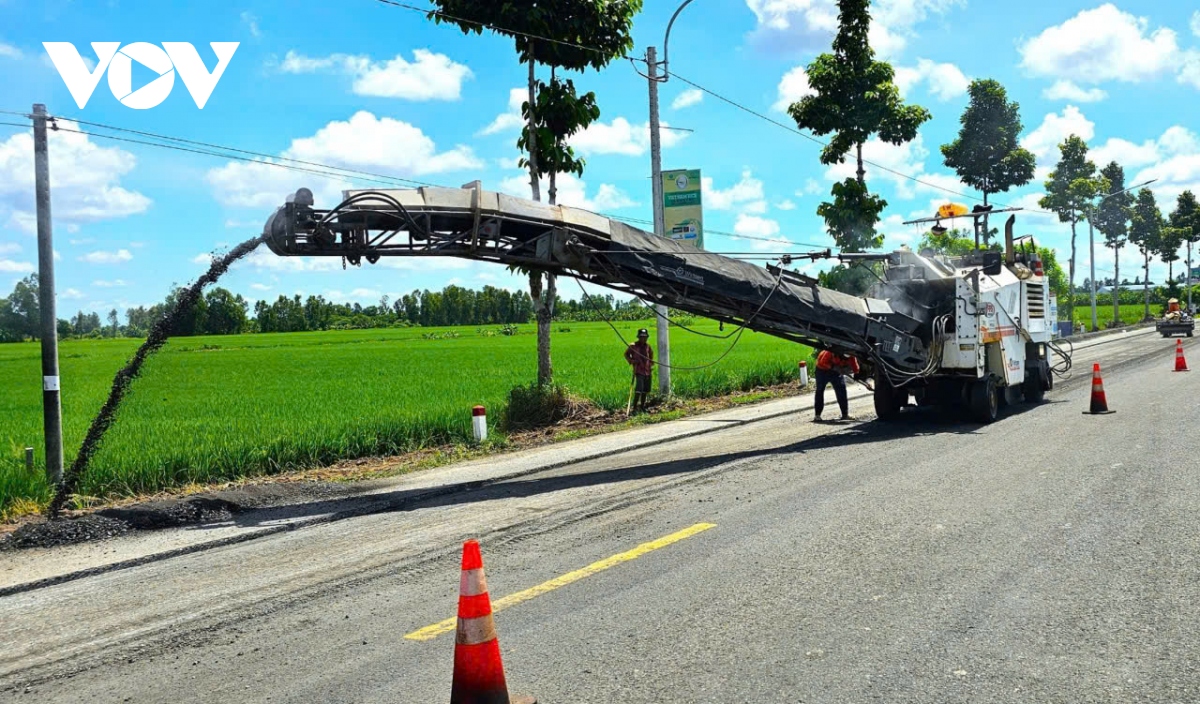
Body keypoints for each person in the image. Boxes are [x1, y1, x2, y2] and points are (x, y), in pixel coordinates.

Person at [814, 349, 860, 422]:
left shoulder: (851, 356)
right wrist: (833, 367)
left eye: (846, 359)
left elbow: (855, 366)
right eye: (843, 358)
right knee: (820, 390)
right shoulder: (830, 352)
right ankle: (817, 415)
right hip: (822, 371)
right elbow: (822, 362)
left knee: (842, 390)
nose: (844, 360)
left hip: (836, 372)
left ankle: (845, 414)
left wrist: (857, 374)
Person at [624, 328, 654, 413]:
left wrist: (650, 363)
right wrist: (632, 361)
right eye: (641, 337)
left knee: (645, 390)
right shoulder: (633, 346)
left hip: (647, 371)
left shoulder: (648, 346)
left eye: (645, 337)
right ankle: (634, 407)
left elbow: (651, 355)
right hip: (639, 370)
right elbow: (626, 354)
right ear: (639, 337)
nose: (643, 339)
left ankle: (642, 406)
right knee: (638, 389)